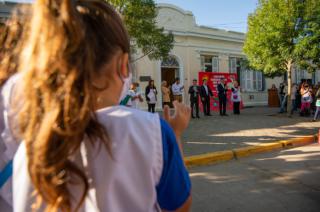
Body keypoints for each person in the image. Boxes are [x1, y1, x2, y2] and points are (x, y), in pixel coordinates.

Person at [11, 1, 192, 212]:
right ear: (122, 65)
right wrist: (176, 133)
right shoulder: (151, 130)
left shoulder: (30, 148)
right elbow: (180, 206)